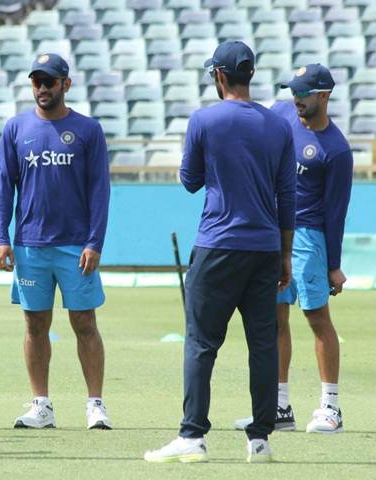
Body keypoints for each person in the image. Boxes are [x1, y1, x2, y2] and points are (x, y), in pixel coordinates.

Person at [144, 41, 297, 464]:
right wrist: (285, 256)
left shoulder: (204, 120)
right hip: (266, 248)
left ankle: (193, 436)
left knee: (200, 342)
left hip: (218, 244)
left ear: (219, 76)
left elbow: (190, 180)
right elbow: (288, 196)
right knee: (263, 344)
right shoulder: (279, 125)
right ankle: (260, 440)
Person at [0, 53, 112, 430]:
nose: (42, 88)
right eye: (37, 82)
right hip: (30, 245)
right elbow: (2, 190)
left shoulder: (88, 130)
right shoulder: (15, 129)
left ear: (66, 84)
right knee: (34, 324)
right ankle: (41, 405)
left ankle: (95, 404)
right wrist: (0, 237)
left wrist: (95, 242)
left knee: (84, 323)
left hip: (76, 246)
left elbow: (100, 191)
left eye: (50, 81)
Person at [234, 64, 353, 434]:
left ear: (323, 96)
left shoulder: (336, 149)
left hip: (310, 237)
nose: (296, 99)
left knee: (317, 318)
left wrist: (333, 264)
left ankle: (330, 408)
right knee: (275, 317)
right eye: (293, 92)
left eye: (303, 93)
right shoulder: (281, 113)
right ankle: (279, 408)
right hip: (274, 231)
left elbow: (336, 213)